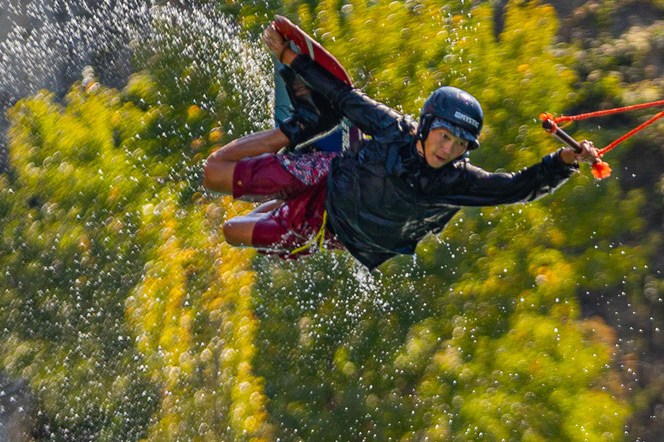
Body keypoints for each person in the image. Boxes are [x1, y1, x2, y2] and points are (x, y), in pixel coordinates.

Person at [200, 19, 601, 269]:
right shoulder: (394, 130)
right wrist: (291, 59)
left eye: (460, 145)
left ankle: (291, 191)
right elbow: (344, 98)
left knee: (232, 231)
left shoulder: (458, 183)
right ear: (426, 126)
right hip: (328, 172)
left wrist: (565, 160)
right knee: (213, 172)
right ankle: (300, 128)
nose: (447, 150)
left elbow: (519, 187)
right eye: (444, 136)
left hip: (331, 229)